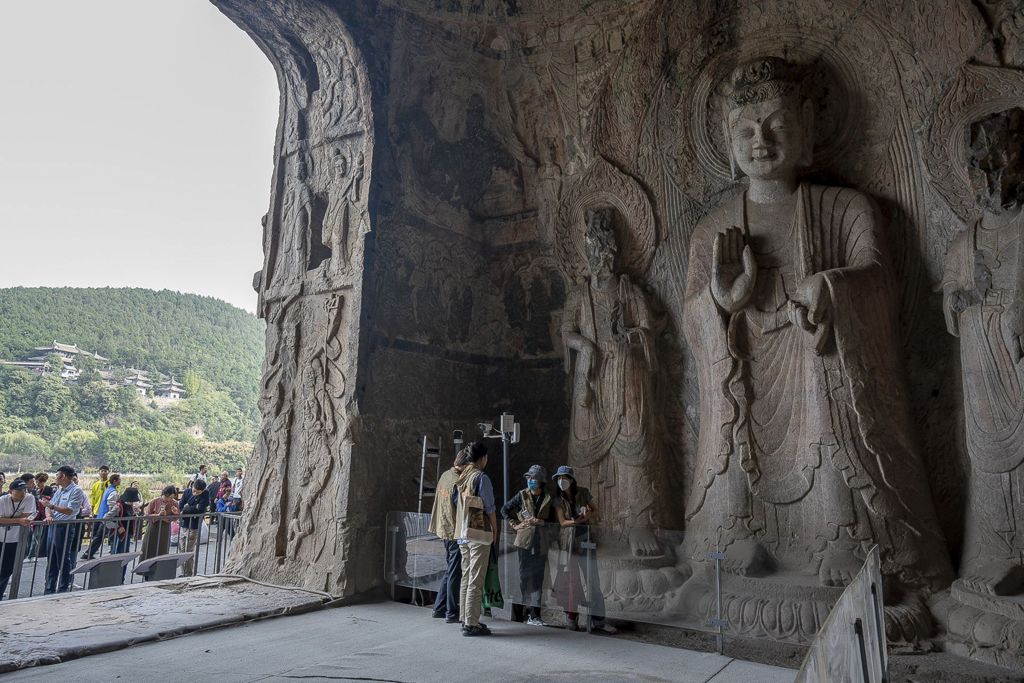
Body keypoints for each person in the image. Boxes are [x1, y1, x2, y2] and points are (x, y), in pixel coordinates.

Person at [552, 465, 616, 633]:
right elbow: (562, 522)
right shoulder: (557, 499)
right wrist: (580, 520)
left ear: (572, 479)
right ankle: (571, 618)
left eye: (564, 478)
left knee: (592, 580)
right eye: (559, 478)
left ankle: (598, 621)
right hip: (569, 543)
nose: (561, 481)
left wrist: (587, 515)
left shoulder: (583, 492)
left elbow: (594, 509)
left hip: (585, 540)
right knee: (571, 581)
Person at [501, 464, 555, 626]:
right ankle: (519, 615)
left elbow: (554, 521)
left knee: (538, 578)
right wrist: (514, 524)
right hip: (524, 542)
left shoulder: (548, 498)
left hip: (540, 542)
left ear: (541, 482)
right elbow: (505, 509)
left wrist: (541, 521)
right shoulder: (522, 495)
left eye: (533, 479)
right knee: (523, 576)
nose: (530, 481)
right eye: (529, 478)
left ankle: (535, 615)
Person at [455, 442, 497, 637]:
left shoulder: (462, 476)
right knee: (476, 579)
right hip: (477, 534)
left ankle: (464, 618)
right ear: (482, 458)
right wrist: (495, 530)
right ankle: (472, 623)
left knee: (466, 576)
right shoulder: (481, 477)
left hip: (462, 533)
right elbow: (489, 507)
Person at [428, 448, 470, 623]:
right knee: (455, 572)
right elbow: (459, 509)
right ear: (466, 465)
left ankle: (439, 608)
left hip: (443, 528)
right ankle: (452, 612)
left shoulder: (445, 475)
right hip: (453, 531)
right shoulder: (457, 481)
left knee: (450, 570)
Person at [42, 466, 87, 594]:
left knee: (63, 558)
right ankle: (49, 588)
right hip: (53, 525)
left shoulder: (76, 491)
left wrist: (50, 506)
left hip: (65, 527)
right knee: (51, 558)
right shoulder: (59, 490)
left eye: (57, 475)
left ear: (63, 476)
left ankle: (63, 587)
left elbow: (70, 510)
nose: (55, 478)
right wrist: (49, 515)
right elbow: (49, 506)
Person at [0, 479, 36, 599]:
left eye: (25, 490)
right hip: (1, 538)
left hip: (16, 540)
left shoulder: (29, 498)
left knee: (8, 569)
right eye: (19, 490)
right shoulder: (2, 500)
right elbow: (21, 519)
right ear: (10, 491)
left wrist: (7, 519)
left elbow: (26, 518)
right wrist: (18, 520)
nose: (23, 493)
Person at [178, 479, 211, 576]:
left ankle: (188, 573)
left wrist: (187, 508)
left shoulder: (205, 494)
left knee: (189, 550)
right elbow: (181, 505)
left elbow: (200, 509)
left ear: (203, 490)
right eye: (194, 491)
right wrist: (190, 508)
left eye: (198, 492)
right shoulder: (187, 492)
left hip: (194, 525)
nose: (195, 493)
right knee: (182, 549)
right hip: (184, 524)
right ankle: (183, 572)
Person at [85, 473, 121, 559]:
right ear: (115, 481)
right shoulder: (113, 492)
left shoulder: (108, 489)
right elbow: (111, 506)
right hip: (107, 517)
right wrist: (113, 514)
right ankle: (89, 553)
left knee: (100, 536)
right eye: (119, 480)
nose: (120, 481)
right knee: (101, 536)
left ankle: (88, 553)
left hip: (103, 515)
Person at [141, 486, 180, 560]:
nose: (170, 499)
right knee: (149, 547)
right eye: (169, 497)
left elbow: (177, 518)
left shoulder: (174, 503)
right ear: (165, 494)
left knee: (163, 548)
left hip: (165, 527)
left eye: (172, 497)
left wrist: (176, 513)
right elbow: (146, 516)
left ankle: (160, 568)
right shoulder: (154, 501)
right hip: (153, 526)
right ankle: (145, 569)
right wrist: (158, 515)